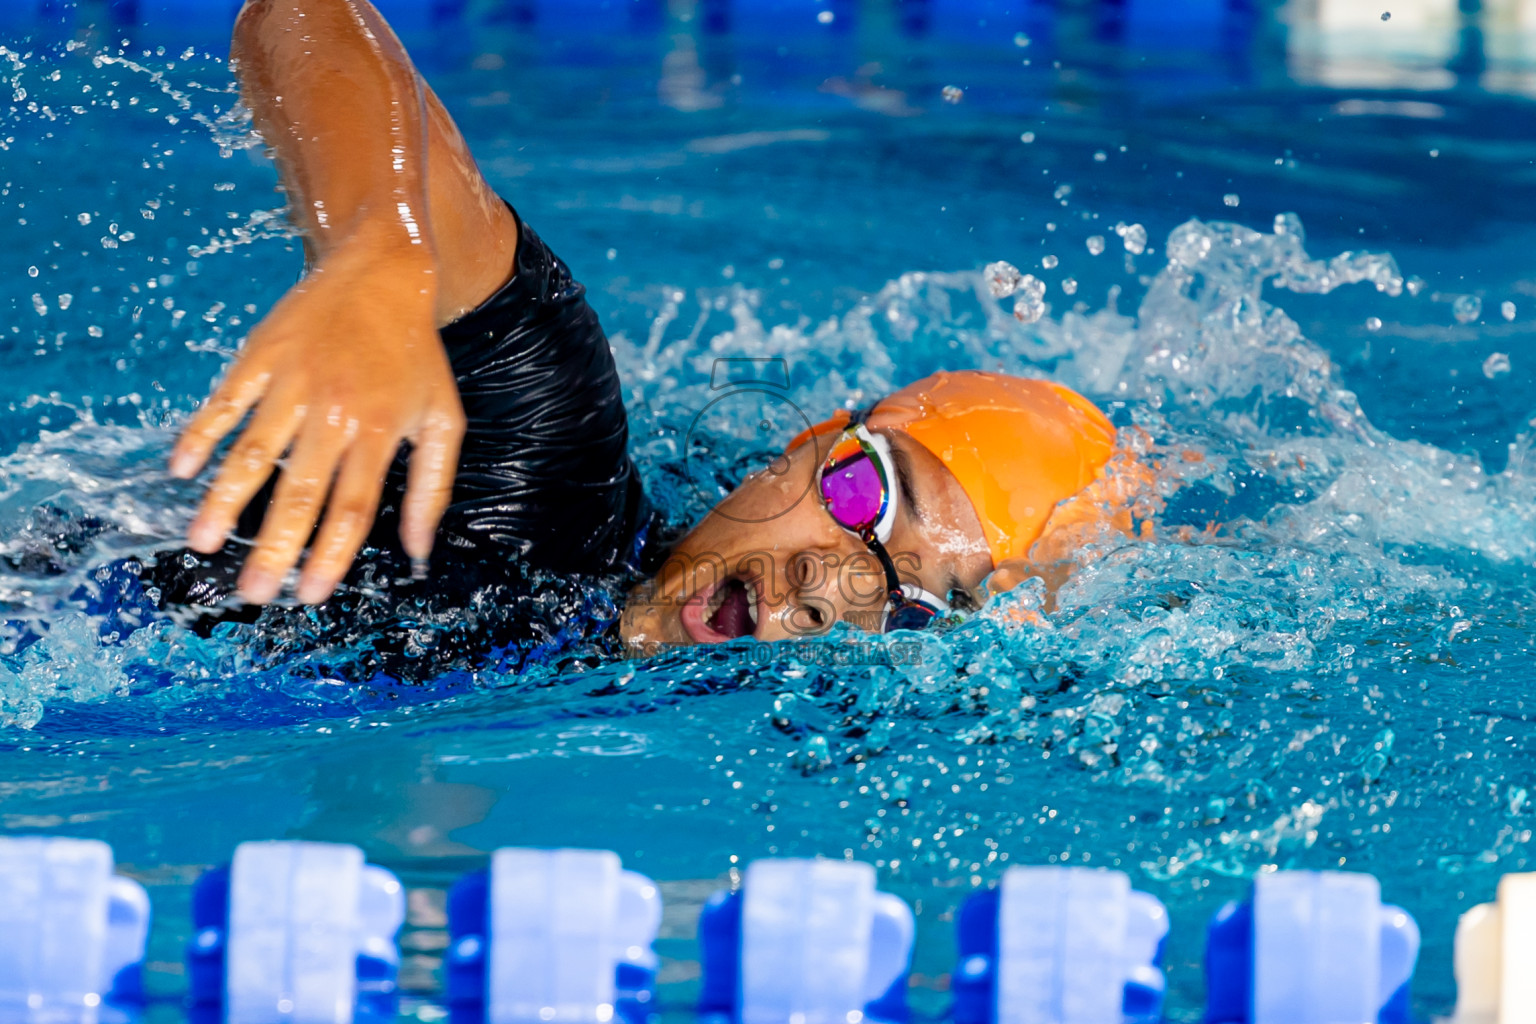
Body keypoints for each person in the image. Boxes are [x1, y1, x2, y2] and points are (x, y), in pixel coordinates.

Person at [159, 0, 1147, 664]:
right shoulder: (537, 465)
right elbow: (301, 16)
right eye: (865, 495)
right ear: (805, 441)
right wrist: (381, 250)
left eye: (915, 603)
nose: (822, 586)